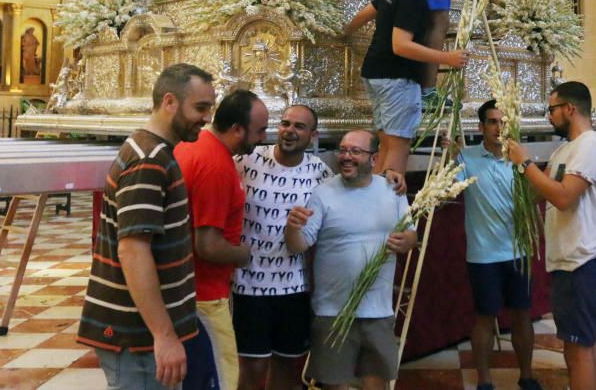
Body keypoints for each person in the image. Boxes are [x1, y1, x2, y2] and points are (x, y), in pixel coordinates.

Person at [232, 106, 406, 390]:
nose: (290, 130)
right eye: (285, 123)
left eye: (299, 126)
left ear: (312, 136)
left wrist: (387, 174)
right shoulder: (246, 160)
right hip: (249, 285)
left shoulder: (320, 175)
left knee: (288, 370)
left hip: (295, 287)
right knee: (251, 369)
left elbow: (358, 185)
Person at [77, 64, 215, 390]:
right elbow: (133, 251)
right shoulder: (149, 161)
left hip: (143, 332)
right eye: (200, 107)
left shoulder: (153, 152)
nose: (207, 117)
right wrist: (164, 336)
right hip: (137, 336)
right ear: (170, 102)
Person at [285, 130, 417, 390]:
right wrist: (292, 228)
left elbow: (411, 233)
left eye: (355, 151)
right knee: (335, 384)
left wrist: (408, 241)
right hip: (332, 309)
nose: (346, 157)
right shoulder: (323, 193)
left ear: (374, 157)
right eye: (343, 150)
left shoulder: (392, 190)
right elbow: (298, 245)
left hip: (378, 309)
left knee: (376, 384)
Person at [506, 81, 596, 390]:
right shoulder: (566, 149)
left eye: (551, 109)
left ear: (570, 108)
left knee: (578, 350)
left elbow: (565, 197)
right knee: (587, 345)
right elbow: (543, 194)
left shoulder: (591, 145)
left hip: (583, 262)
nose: (548, 116)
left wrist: (525, 163)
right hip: (569, 262)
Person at [343, 0, 468, 174]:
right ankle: (392, 207)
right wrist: (447, 57)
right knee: (399, 145)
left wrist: (344, 31)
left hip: (375, 74)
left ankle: (378, 203)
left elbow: (367, 12)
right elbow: (401, 46)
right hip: (397, 78)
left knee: (386, 145)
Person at [175, 89, 270, 390]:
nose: (263, 138)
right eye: (260, 131)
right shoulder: (215, 165)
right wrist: (243, 254)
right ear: (237, 129)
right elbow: (208, 246)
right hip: (204, 296)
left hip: (188, 290)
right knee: (220, 379)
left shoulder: (196, 145)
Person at [457, 100, 543, 390]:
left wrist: (528, 167)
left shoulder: (519, 158)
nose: (498, 128)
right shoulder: (466, 158)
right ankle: (484, 381)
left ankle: (527, 376)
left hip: (519, 251)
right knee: (484, 317)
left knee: (522, 315)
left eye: (502, 122)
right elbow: (448, 190)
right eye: (492, 122)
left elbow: (536, 196)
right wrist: (448, 154)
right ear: (481, 127)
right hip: (483, 254)